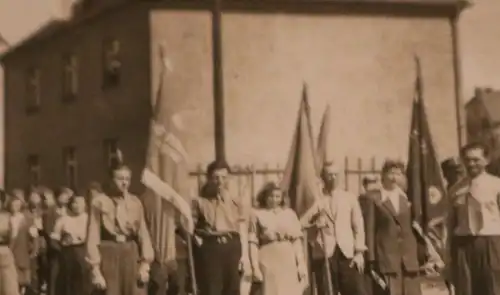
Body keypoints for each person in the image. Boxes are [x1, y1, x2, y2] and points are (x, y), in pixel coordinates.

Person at [365, 159, 434, 295]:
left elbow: (416, 226)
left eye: (398, 174)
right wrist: (371, 258)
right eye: (391, 173)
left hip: (408, 258)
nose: (394, 177)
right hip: (387, 257)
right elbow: (370, 229)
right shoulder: (374, 199)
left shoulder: (407, 199)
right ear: (383, 175)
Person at [86, 163, 154, 295]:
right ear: (111, 180)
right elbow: (92, 236)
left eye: (127, 179)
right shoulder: (99, 202)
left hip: (130, 253)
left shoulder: (135, 202)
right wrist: (95, 269)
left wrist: (145, 264)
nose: (124, 183)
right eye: (120, 179)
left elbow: (143, 234)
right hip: (108, 253)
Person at [303, 161, 367, 295]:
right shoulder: (316, 200)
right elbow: (301, 224)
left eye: (336, 175)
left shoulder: (349, 198)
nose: (333, 178)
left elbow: (358, 226)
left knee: (354, 291)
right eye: (329, 174)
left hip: (347, 253)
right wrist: (315, 225)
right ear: (323, 177)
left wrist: (359, 252)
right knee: (327, 291)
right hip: (325, 254)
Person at [448, 142, 500, 295]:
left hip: (490, 242)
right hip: (463, 244)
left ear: (486, 160)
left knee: (492, 287)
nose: (471, 164)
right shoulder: (455, 189)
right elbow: (451, 222)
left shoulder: (496, 185)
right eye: (467, 160)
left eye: (476, 160)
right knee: (466, 289)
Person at [192, 160, 250, 295]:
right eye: (216, 177)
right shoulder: (200, 202)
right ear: (209, 178)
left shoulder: (236, 201)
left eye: (224, 177)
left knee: (233, 288)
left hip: (232, 247)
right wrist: (197, 238)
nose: (220, 181)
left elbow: (242, 228)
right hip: (212, 249)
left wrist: (244, 256)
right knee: (213, 289)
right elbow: (191, 227)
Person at [247, 182, 307, 295]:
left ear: (282, 198)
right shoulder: (256, 214)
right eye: (271, 196)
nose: (274, 200)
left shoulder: (290, 214)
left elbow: (297, 241)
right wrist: (255, 266)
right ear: (264, 197)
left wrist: (301, 263)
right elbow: (253, 242)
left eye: (277, 196)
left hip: (287, 260)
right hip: (267, 260)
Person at [50, 194, 90, 295]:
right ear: (71, 204)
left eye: (80, 203)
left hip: (85, 253)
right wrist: (62, 245)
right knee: (67, 283)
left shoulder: (89, 219)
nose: (77, 205)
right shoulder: (63, 220)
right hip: (67, 254)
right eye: (75, 203)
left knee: (84, 282)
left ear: (85, 205)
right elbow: (54, 239)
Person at [43, 187, 73, 295]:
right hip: (54, 247)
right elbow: (48, 229)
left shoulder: (70, 211)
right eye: (63, 196)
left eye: (68, 197)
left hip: (69, 247)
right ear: (57, 197)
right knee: (54, 274)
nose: (66, 199)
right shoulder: (50, 211)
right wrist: (56, 243)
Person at [7, 194, 39, 294]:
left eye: (18, 205)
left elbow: (35, 237)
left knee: (22, 279)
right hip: (8, 252)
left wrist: (34, 250)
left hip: (22, 252)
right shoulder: (6, 219)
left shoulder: (27, 220)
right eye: (13, 205)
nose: (15, 207)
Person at [358, 175, 380, 295]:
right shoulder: (380, 197)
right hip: (380, 248)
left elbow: (368, 226)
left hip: (368, 248)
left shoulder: (364, 199)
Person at [0, 190, 20, 295]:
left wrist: (8, 250)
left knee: (8, 287)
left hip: (4, 252)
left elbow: (13, 237)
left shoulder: (8, 217)